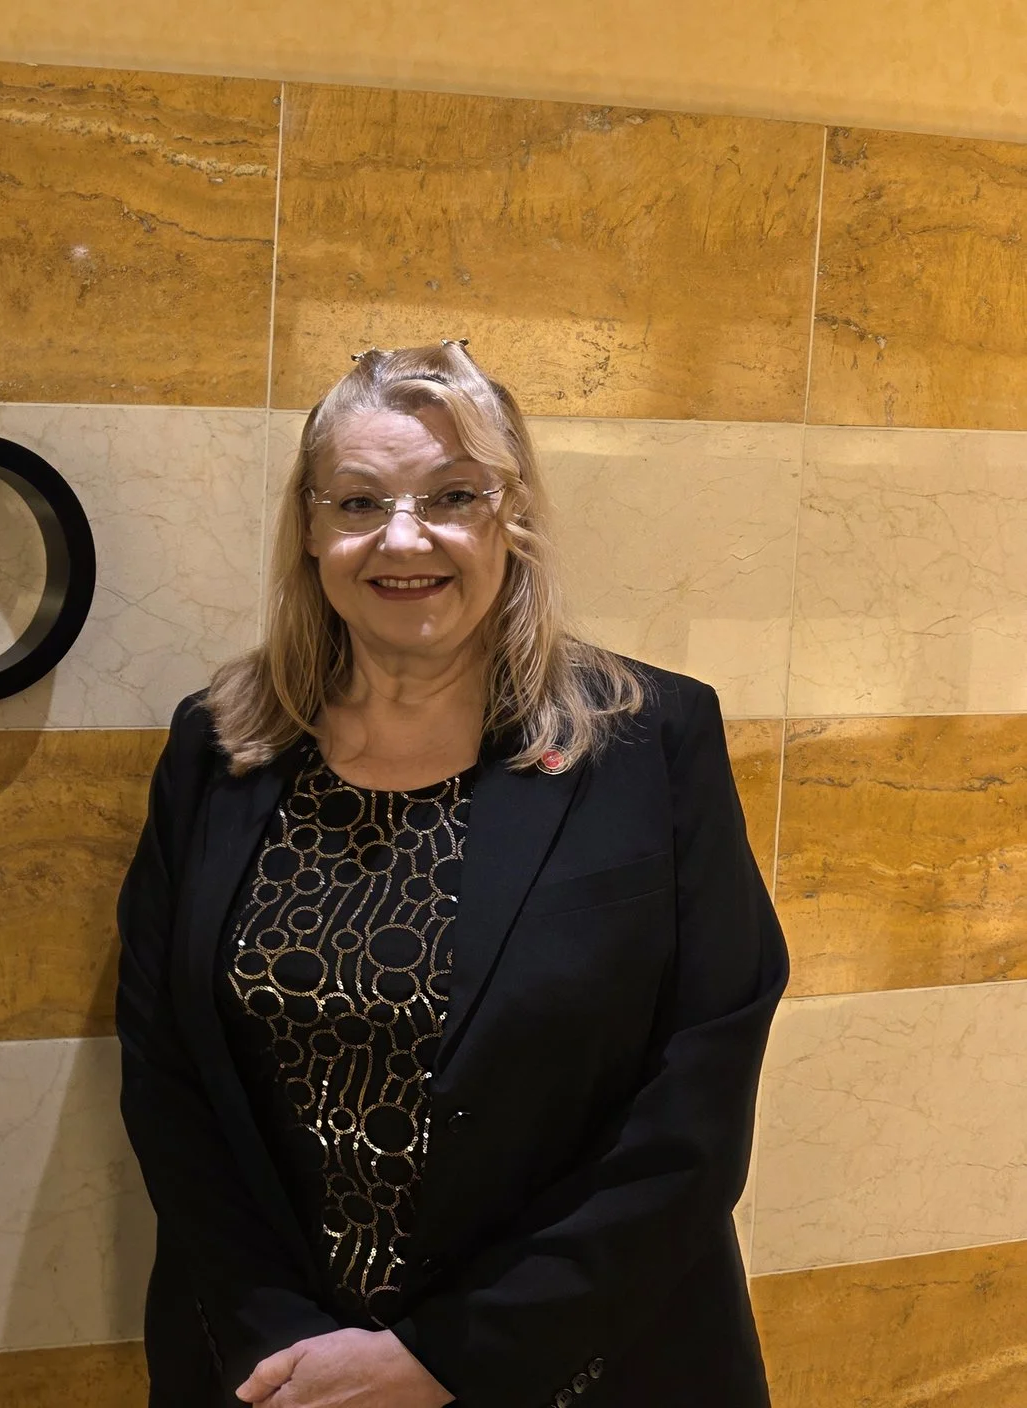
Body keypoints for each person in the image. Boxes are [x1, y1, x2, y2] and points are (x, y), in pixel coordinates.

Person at [115, 341, 787, 1407]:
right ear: (309, 529)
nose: (401, 537)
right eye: (357, 501)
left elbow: (691, 1115)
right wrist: (281, 1341)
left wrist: (449, 1356)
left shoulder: (651, 743)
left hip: (586, 1364)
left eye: (451, 496)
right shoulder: (219, 748)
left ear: (507, 520)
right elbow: (167, 1078)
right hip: (277, 1376)